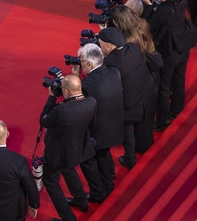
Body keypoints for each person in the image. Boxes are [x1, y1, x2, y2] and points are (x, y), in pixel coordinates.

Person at [140, 0, 197, 130]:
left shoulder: (165, 10)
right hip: (183, 48)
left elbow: (148, 25)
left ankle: (162, 120)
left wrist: (149, 6)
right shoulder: (180, 0)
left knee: (164, 86)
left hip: (169, 53)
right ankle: (176, 110)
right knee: (179, 79)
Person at [40, 75, 98, 221]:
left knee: (51, 182)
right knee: (69, 169)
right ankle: (81, 201)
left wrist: (51, 97)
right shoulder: (91, 102)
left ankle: (67, 217)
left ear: (65, 91)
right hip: (75, 147)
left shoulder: (62, 110)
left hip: (56, 153)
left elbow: (44, 120)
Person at [73, 42, 123, 202]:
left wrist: (75, 79)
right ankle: (108, 180)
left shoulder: (87, 84)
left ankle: (99, 192)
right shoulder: (114, 72)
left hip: (98, 133)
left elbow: (77, 104)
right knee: (104, 155)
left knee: (88, 159)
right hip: (116, 125)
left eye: (82, 62)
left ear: (89, 64)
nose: (81, 66)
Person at [110, 5, 161, 155]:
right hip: (150, 77)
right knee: (146, 118)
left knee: (139, 116)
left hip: (139, 78)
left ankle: (141, 147)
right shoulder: (142, 24)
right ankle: (144, 144)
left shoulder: (127, 40)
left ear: (118, 22)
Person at [96, 27, 150, 170]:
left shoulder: (111, 62)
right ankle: (131, 156)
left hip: (125, 105)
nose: (100, 48)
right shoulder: (133, 48)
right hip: (141, 95)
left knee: (126, 131)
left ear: (109, 46)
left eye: (101, 45)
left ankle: (129, 159)